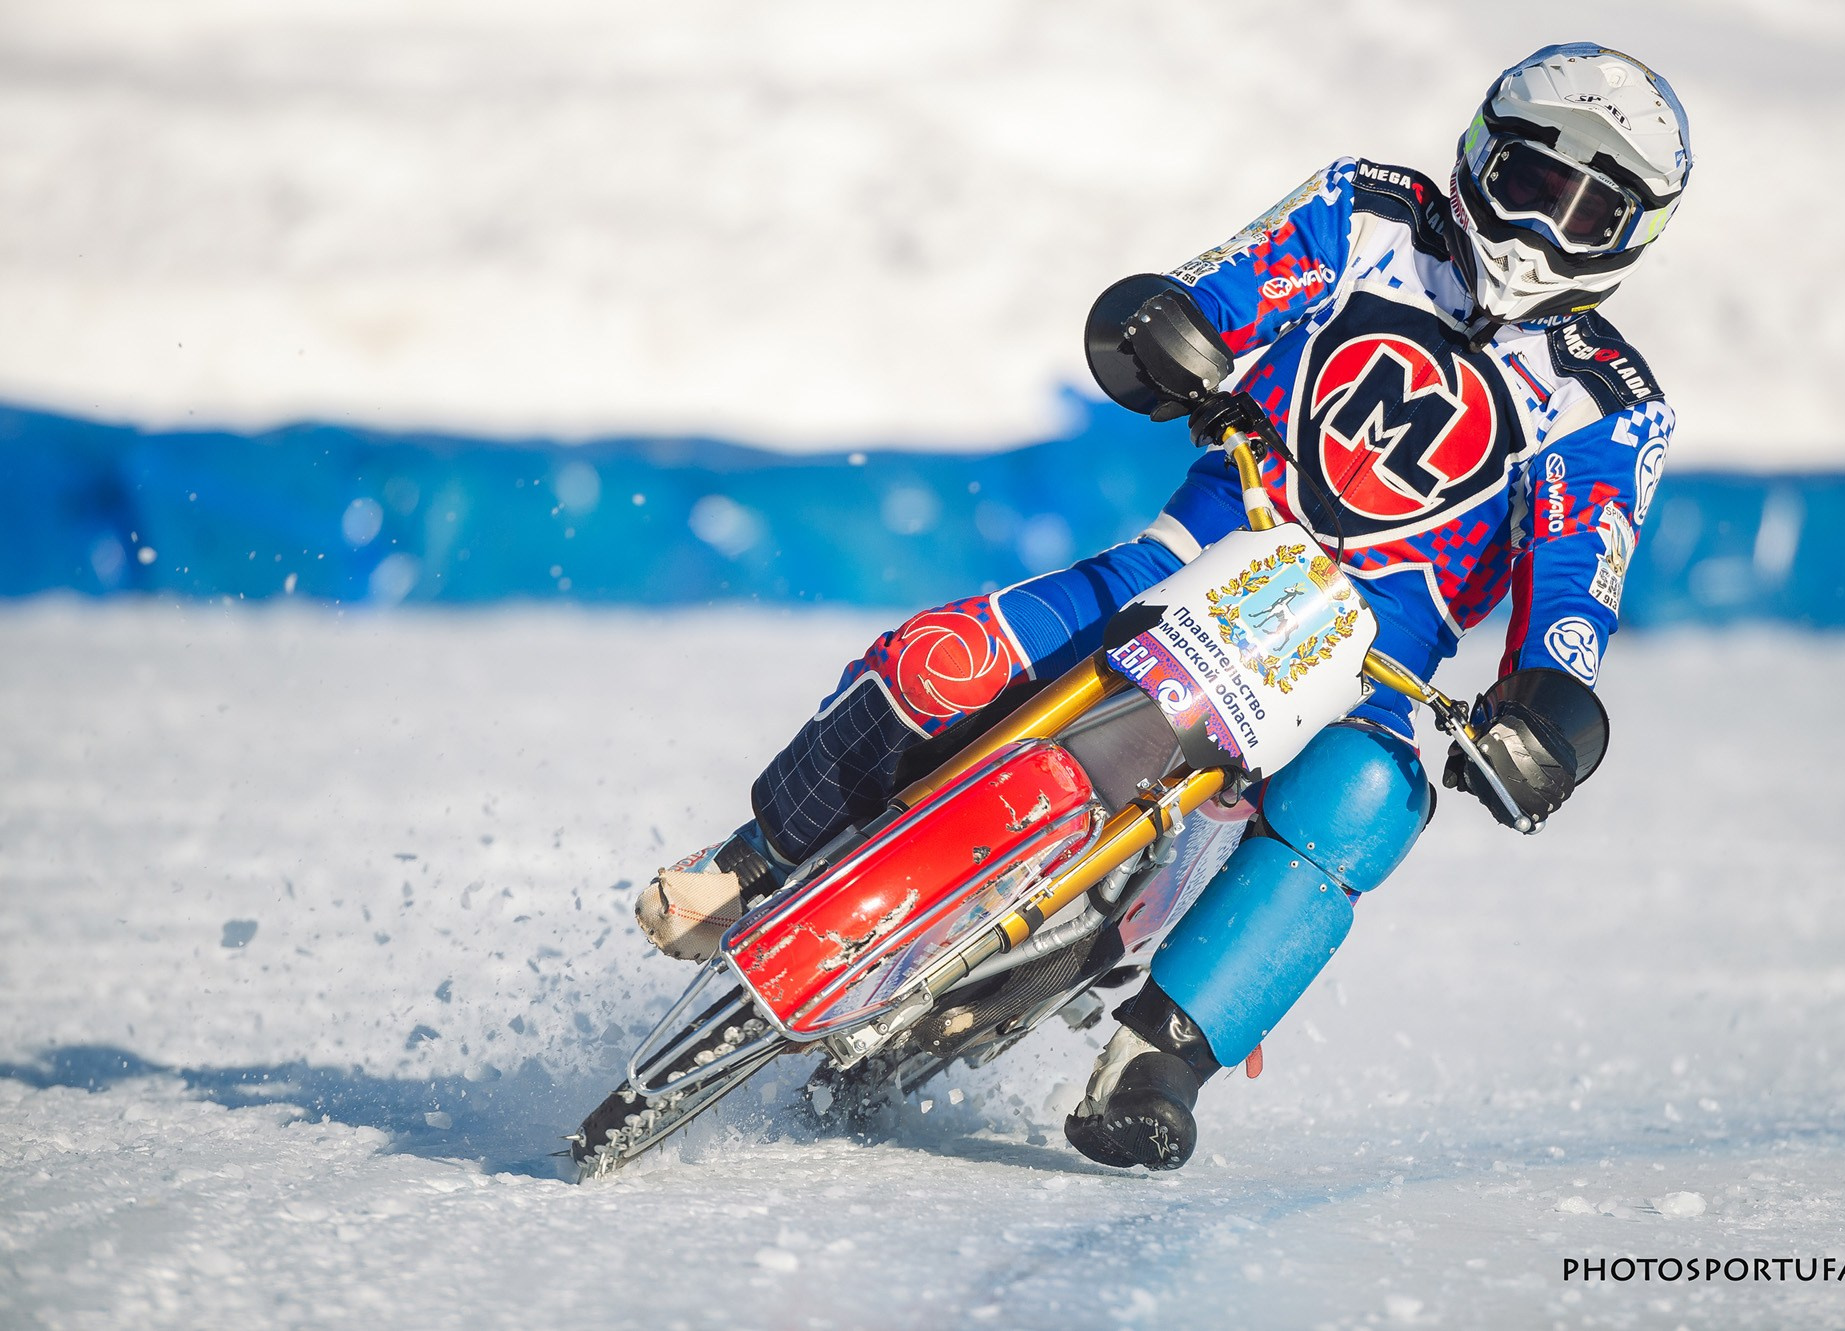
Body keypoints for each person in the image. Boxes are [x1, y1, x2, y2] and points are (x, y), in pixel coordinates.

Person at [637, 42, 1691, 1170]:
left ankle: (1157, 1059)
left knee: (1371, 796)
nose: (1540, 232)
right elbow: (1227, 289)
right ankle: (755, 857)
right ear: (1482, 155)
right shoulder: (1365, 214)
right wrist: (1165, 327)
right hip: (1183, 563)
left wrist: (1549, 710)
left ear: (1631, 241)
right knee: (949, 657)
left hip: (1361, 681)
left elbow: (1576, 583)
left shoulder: (1607, 405)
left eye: (1587, 215)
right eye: (1531, 185)